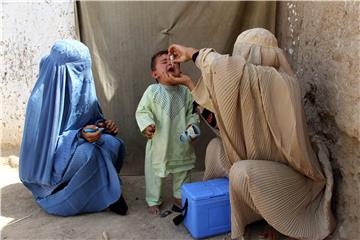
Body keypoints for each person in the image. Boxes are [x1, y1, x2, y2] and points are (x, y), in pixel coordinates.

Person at [165, 28, 336, 240]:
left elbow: (229, 69)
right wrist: (190, 83)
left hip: (292, 180)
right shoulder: (252, 86)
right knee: (215, 148)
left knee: (241, 172)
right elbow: (224, 121)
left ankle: (275, 219)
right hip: (259, 166)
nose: (238, 59)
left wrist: (193, 53)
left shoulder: (283, 83)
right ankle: (227, 207)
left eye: (243, 52)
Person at [19, 39, 128, 216]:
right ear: (64, 72)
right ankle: (66, 194)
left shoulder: (83, 86)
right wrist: (79, 136)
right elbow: (44, 146)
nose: (83, 76)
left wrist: (102, 126)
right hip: (50, 164)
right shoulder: (40, 101)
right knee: (89, 153)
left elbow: (91, 118)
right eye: (77, 70)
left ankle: (101, 189)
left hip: (76, 145)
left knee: (111, 143)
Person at [135, 50, 200, 215]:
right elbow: (142, 111)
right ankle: (153, 200)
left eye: (175, 61)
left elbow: (192, 113)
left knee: (182, 172)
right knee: (155, 175)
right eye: (165, 61)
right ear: (155, 73)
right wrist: (147, 125)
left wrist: (192, 127)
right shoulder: (152, 91)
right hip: (159, 144)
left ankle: (179, 197)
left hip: (181, 144)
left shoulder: (186, 91)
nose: (171, 63)